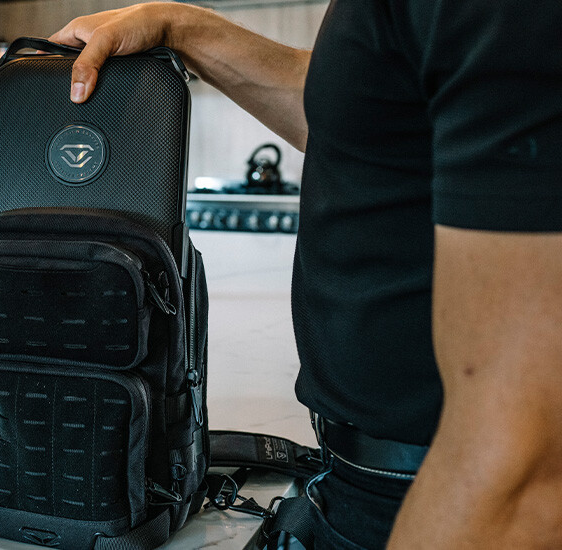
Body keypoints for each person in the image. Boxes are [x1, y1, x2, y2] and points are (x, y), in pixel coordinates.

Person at [49, 2, 562, 549]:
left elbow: (520, 476)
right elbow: (363, 116)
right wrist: (179, 25)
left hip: (442, 503)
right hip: (362, 485)